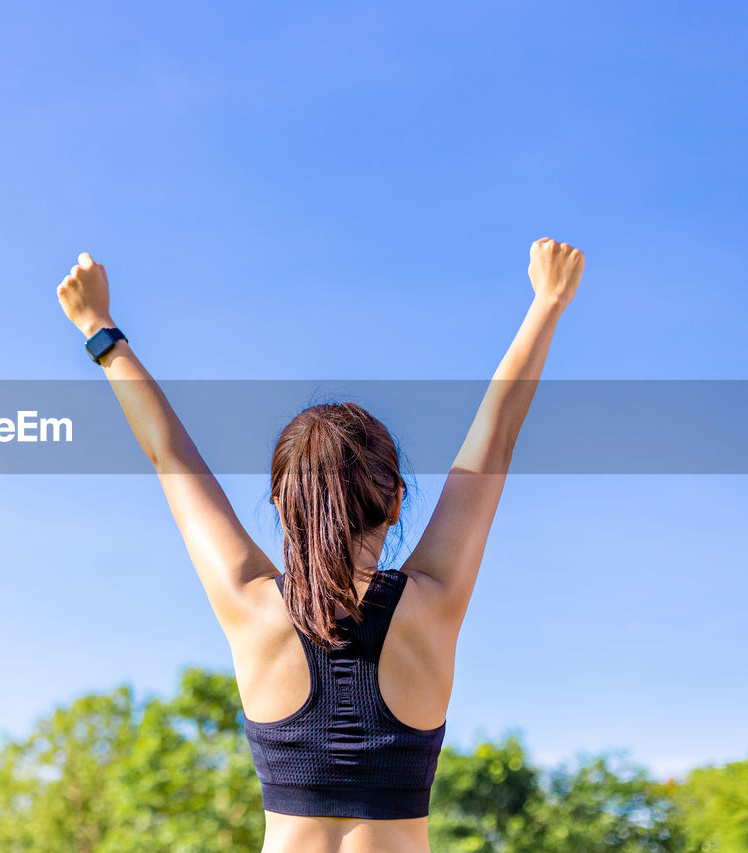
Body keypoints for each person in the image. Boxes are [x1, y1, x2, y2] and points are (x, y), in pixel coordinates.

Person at [55, 238, 584, 853]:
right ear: (393, 504)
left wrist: (100, 329)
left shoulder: (252, 609)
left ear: (282, 505)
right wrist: (547, 301)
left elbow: (169, 454)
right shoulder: (433, 604)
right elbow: (496, 441)